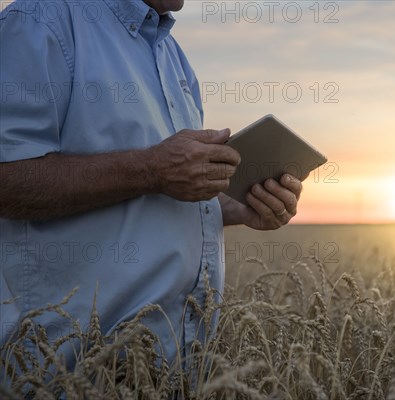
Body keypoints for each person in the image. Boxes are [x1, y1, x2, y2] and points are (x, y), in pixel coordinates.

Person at [0, 0, 302, 368]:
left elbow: (161, 191)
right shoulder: (39, 22)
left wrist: (236, 206)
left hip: (176, 364)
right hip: (68, 370)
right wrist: (151, 169)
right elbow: (7, 179)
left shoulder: (172, 54)